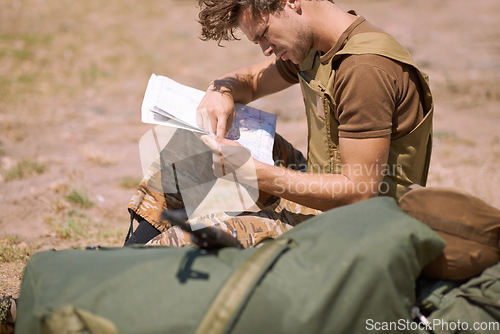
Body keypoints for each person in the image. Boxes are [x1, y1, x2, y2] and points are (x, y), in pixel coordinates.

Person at [124, 0, 433, 247]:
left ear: (290, 2)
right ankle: (130, 254)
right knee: (191, 146)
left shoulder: (364, 69)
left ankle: (139, 267)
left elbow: (360, 192)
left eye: (264, 34)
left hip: (359, 226)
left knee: (186, 244)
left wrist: (254, 174)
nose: (266, 49)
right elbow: (251, 82)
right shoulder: (316, 45)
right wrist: (221, 90)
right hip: (324, 190)